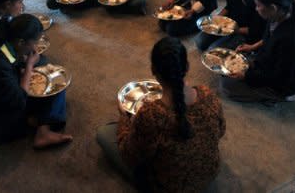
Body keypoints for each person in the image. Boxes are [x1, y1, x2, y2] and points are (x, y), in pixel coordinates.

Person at [97, 37, 226, 193]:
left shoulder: (151, 114)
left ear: (153, 71)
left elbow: (130, 156)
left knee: (104, 133)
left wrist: (124, 118)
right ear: (187, 66)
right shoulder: (208, 94)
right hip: (208, 174)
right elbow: (221, 131)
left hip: (169, 187)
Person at [0, 14, 72, 149]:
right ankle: (41, 130)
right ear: (21, 42)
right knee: (56, 87)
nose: (36, 47)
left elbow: (10, 71)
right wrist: (29, 66)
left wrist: (24, 69)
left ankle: (37, 121)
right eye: (35, 42)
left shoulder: (2, 42)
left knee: (47, 71)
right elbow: (19, 100)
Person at [220, 0, 295, 103]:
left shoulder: (292, 39)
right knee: (228, 65)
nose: (256, 9)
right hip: (269, 62)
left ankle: (277, 96)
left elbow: (279, 76)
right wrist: (252, 46)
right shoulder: (284, 9)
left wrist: (246, 76)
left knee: (228, 86)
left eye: (258, 5)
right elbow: (270, 36)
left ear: (273, 8)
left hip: (283, 82)